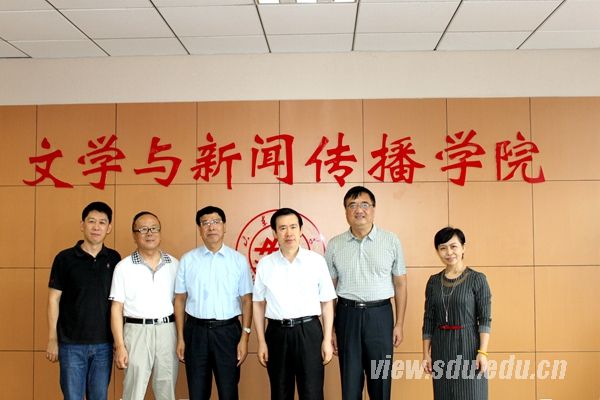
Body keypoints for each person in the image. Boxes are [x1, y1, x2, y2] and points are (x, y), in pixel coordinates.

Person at [325, 186, 407, 400]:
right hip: (347, 316)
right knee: (350, 385)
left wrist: (399, 323)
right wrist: (330, 329)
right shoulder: (335, 245)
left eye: (364, 204)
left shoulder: (391, 240)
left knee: (380, 383)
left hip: (380, 316)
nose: (359, 210)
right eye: (352, 205)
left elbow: (400, 284)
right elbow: (329, 291)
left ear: (373, 209)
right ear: (345, 211)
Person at [253, 207, 336, 400]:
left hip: (309, 332)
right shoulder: (265, 264)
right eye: (282, 228)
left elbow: (327, 303)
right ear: (274, 233)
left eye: (293, 227)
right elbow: (258, 304)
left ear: (300, 230)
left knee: (312, 393)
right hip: (276, 334)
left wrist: (326, 339)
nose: (288, 233)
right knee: (280, 393)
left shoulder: (316, 261)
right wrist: (262, 342)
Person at [174, 206, 253, 400]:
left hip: (227, 333)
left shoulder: (238, 260)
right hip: (196, 332)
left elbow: (247, 300)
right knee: (197, 393)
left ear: (224, 226)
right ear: (200, 229)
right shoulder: (188, 260)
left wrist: (244, 338)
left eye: (216, 222)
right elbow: (180, 300)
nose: (211, 227)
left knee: (228, 392)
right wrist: (181, 338)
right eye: (205, 223)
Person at [46, 201, 121, 400]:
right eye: (91, 221)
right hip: (71, 345)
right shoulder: (64, 258)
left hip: (104, 345)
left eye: (102, 222)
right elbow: (53, 300)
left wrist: (118, 341)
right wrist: (53, 339)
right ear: (82, 225)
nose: (96, 227)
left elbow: (118, 304)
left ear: (109, 228)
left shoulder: (114, 259)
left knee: (99, 396)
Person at [109, 211, 179, 400]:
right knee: (133, 391)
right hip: (136, 332)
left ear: (160, 232)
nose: (150, 233)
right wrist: (120, 345)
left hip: (167, 331)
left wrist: (181, 337)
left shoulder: (174, 264)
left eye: (154, 228)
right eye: (143, 229)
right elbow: (116, 308)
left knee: (167, 389)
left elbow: (180, 304)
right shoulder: (123, 267)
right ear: (134, 235)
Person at [422, 227, 492, 400]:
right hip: (441, 347)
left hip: (468, 346)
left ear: (463, 248)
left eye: (453, 246)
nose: (449, 252)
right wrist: (426, 354)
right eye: (443, 248)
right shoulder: (433, 282)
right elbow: (428, 320)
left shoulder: (477, 279)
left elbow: (484, 319)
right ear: (438, 251)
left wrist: (482, 352)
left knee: (472, 394)